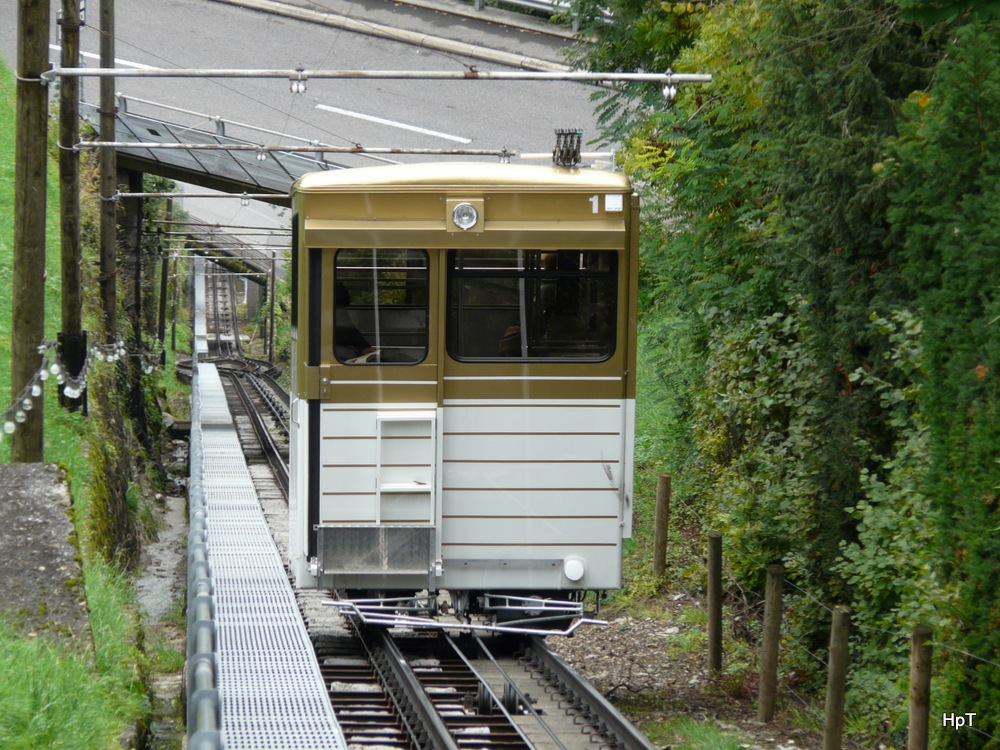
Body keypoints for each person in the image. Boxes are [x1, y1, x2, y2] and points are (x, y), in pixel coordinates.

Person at [334, 283, 376, 362]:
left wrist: (364, 347)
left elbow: (351, 332)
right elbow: (346, 332)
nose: (342, 312)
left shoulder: (341, 315)